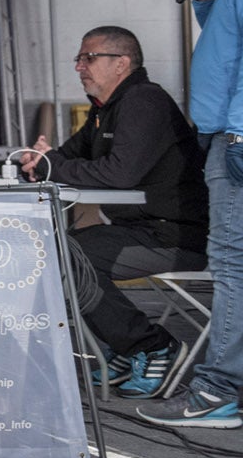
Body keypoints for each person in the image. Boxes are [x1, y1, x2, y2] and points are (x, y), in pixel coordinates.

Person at [18, 26, 207, 395]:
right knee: (58, 251)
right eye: (78, 58)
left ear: (121, 63)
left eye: (89, 58)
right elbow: (68, 156)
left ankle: (152, 346)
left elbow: (119, 174)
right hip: (139, 230)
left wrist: (47, 163)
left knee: (66, 258)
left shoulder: (143, 101)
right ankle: (127, 346)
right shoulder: (107, 108)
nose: (79, 67)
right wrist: (40, 159)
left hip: (172, 236)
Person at [144, 0, 243, 429]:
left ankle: (217, 392)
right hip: (226, 131)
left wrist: (237, 133)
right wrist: (206, 3)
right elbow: (230, 44)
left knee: (232, 266)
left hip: (235, 136)